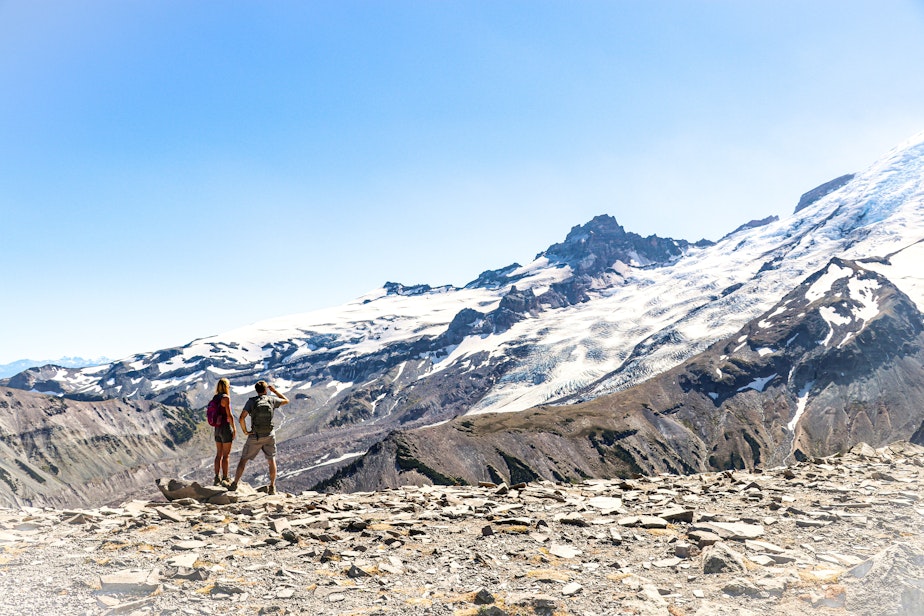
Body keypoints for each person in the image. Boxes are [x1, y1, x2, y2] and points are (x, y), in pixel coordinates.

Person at [228, 380, 289, 495]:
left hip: (255, 436)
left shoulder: (251, 401)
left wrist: (246, 431)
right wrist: (274, 391)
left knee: (243, 460)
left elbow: (241, 418)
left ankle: (235, 484)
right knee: (271, 460)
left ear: (256, 390)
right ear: (266, 390)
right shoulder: (271, 399)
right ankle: (272, 487)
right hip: (269, 435)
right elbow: (286, 400)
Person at [211, 378, 236, 486]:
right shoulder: (226, 398)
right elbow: (229, 415)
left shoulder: (215, 398)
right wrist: (234, 428)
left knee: (218, 455)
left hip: (217, 429)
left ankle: (217, 477)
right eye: (229, 385)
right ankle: (225, 478)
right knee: (226, 456)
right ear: (226, 386)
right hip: (225, 428)